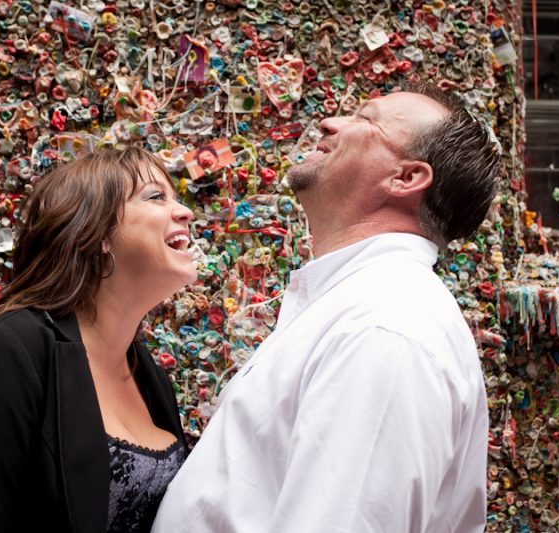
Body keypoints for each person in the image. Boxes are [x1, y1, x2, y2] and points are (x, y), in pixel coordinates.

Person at [153, 83, 501, 532]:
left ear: (406, 179)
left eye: (365, 119)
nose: (330, 122)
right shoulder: (356, 306)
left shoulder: (385, 330)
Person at [0, 147, 196, 532]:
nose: (185, 212)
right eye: (155, 197)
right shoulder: (4, 350)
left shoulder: (149, 375)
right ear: (98, 234)